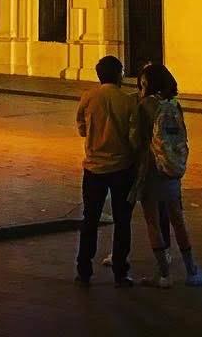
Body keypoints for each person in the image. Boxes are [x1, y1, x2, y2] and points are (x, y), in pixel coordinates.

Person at [132, 64, 202, 288]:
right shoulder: (174, 106)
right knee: (177, 218)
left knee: (153, 222)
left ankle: (164, 274)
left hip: (150, 169)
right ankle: (191, 269)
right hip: (171, 170)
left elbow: (136, 138)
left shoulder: (145, 106)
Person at [75, 56, 139, 287]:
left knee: (90, 218)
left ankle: (84, 268)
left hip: (93, 167)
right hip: (122, 167)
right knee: (123, 221)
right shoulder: (128, 101)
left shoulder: (88, 97)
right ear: (119, 74)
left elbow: (81, 127)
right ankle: (121, 271)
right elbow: (133, 137)